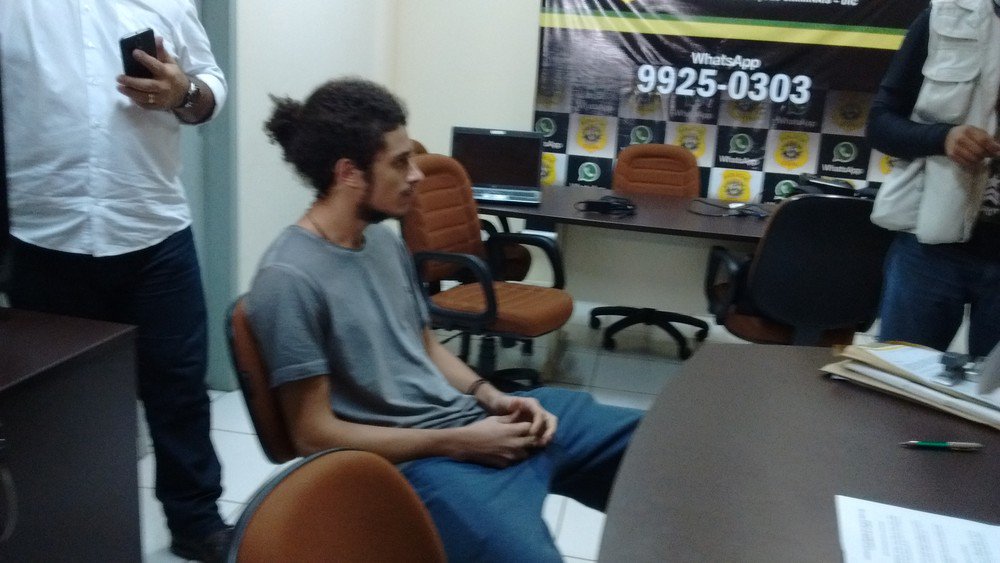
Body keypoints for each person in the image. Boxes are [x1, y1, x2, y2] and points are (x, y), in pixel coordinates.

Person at [247, 77, 643, 562]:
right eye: (400, 162)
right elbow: (313, 434)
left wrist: (494, 398)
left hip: (471, 423)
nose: (416, 174)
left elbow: (428, 348)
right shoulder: (287, 279)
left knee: (656, 446)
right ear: (348, 173)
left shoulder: (383, 242)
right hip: (424, 462)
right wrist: (457, 442)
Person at [1, 2, 232, 560]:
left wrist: (183, 92)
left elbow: (211, 85)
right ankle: (67, 536)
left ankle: (196, 522)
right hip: (42, 239)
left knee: (178, 392)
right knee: (56, 410)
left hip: (154, 232)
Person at [868, 0, 1000, 358]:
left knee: (994, 394)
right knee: (900, 381)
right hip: (929, 249)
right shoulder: (945, 15)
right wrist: (943, 139)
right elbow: (880, 123)